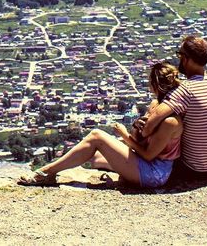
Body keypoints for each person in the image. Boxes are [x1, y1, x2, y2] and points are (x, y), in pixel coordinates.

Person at [18, 62, 182, 188]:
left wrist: (124, 135)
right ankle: (125, 173)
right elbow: (140, 139)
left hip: (154, 173)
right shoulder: (155, 106)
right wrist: (135, 126)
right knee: (95, 158)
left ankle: (47, 173)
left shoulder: (170, 121)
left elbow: (148, 155)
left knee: (96, 137)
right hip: (143, 162)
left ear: (154, 85)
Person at [141, 35, 207, 184]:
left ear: (186, 59)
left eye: (180, 54)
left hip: (193, 169)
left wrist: (143, 134)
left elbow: (150, 124)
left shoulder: (185, 90)